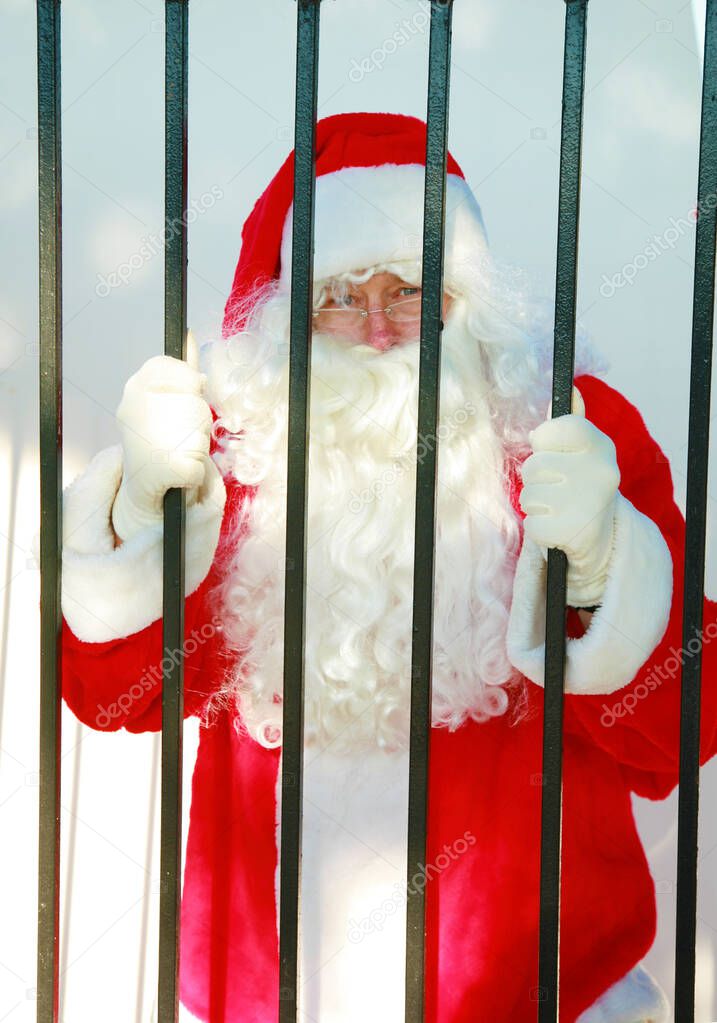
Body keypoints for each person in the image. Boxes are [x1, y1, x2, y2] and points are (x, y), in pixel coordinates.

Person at [58, 111, 717, 1023]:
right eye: (338, 294)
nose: (377, 330)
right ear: (290, 314)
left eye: (409, 288)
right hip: (273, 986)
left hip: (537, 991)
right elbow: (114, 697)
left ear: (465, 298)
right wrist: (137, 515)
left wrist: (609, 571)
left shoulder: (566, 429)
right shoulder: (231, 450)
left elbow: (683, 726)